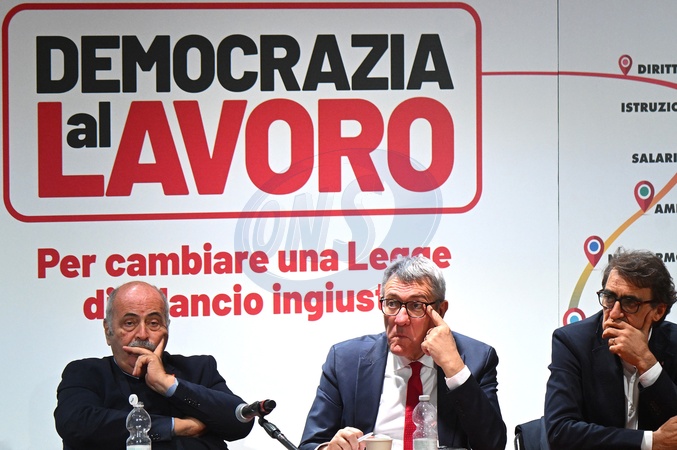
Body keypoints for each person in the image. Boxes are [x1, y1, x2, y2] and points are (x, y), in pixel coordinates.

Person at [299, 255, 507, 450]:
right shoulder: (345, 360)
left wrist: (454, 367)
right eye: (392, 303)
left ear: (440, 311)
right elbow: (311, 444)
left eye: (416, 305)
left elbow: (492, 445)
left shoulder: (477, 358)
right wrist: (328, 448)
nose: (399, 319)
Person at [54, 281, 254, 450]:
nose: (142, 334)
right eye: (130, 323)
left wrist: (168, 385)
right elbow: (76, 424)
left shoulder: (198, 369)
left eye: (154, 323)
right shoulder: (86, 373)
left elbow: (240, 420)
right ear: (108, 331)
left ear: (167, 327)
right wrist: (176, 427)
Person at [545, 248, 677, 449]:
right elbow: (560, 431)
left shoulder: (674, 343)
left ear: (658, 311)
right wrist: (651, 442)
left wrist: (647, 362)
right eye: (609, 298)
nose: (614, 314)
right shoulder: (573, 342)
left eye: (630, 303)